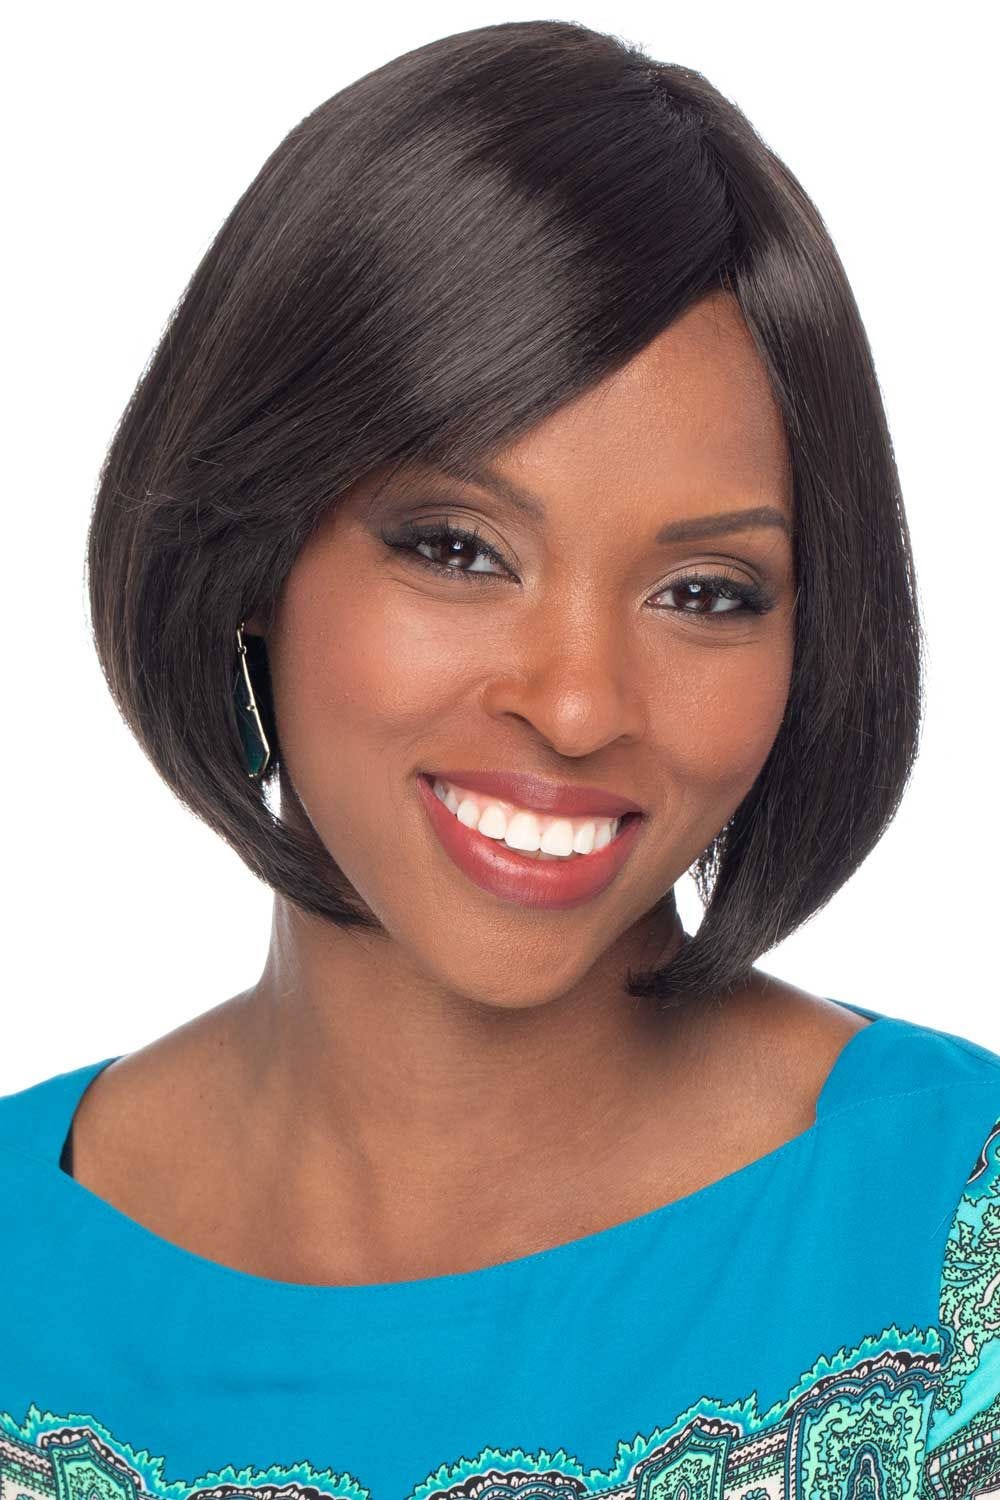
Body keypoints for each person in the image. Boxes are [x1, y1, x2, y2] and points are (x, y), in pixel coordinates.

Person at [2, 18, 996, 1500]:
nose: (580, 705)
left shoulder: (955, 1242)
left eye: (704, 592)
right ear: (253, 553)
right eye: (459, 549)